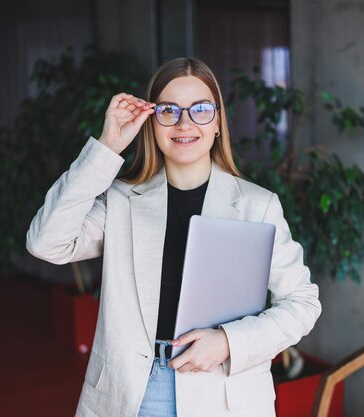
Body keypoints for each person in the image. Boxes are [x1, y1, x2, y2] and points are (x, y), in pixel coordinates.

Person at [26, 57, 321, 417]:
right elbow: (45, 242)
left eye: (200, 109)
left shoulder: (257, 206)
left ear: (217, 123)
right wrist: (107, 146)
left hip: (223, 392)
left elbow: (303, 303)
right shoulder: (120, 201)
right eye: (169, 110)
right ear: (152, 123)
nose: (184, 123)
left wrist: (230, 341)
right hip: (132, 391)